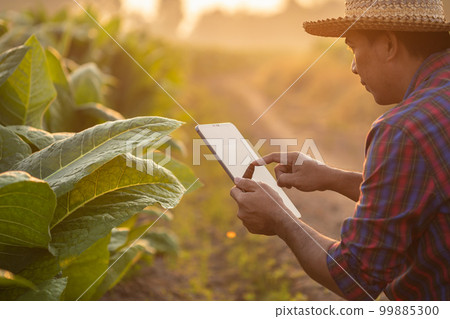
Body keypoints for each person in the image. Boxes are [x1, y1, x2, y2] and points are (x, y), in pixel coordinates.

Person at [230, 0, 450, 301]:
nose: (353, 66)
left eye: (352, 47)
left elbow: (356, 276)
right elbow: (430, 196)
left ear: (388, 44)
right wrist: (333, 178)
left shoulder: (404, 129)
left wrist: (281, 219)